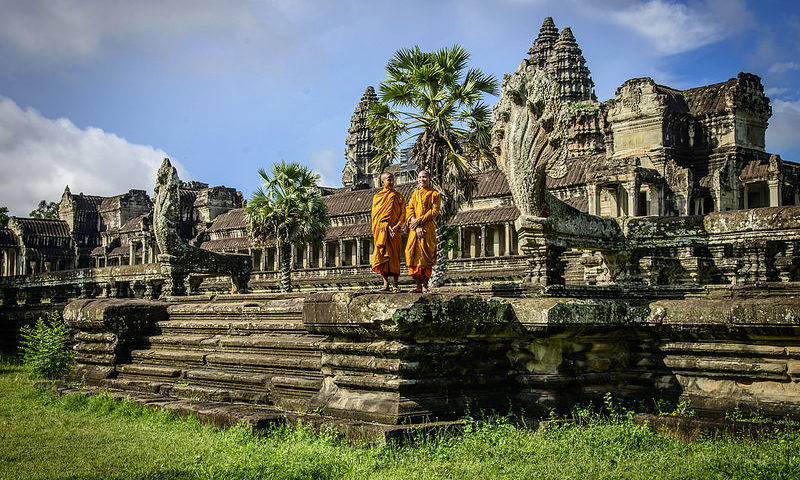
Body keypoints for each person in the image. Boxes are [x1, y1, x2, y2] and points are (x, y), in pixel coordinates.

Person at [404, 170, 440, 293]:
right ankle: (418, 285)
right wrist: (415, 222)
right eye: (419, 177)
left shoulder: (434, 194)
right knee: (412, 255)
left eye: (424, 177)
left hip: (427, 229)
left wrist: (420, 220)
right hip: (415, 229)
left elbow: (434, 212)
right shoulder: (415, 195)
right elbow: (409, 210)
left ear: (429, 178)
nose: (421, 179)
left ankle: (425, 285)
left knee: (426, 256)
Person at [371, 172, 406, 292]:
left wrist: (397, 225)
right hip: (382, 231)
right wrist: (385, 227)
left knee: (395, 257)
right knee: (381, 256)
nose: (391, 182)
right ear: (382, 182)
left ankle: (395, 284)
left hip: (394, 231)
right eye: (388, 180)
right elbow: (375, 217)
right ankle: (385, 283)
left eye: (392, 180)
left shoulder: (399, 196)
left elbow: (403, 213)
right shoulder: (377, 197)